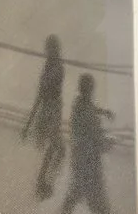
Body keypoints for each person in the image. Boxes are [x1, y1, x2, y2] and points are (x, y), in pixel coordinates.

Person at [59, 74, 113, 214]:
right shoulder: (87, 112)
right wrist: (108, 143)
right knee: (94, 198)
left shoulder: (79, 105)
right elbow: (95, 137)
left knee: (79, 193)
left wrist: (102, 112)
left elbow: (89, 110)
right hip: (89, 163)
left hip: (80, 160)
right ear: (90, 89)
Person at [23, 35, 68, 197]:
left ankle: (44, 180)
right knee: (55, 146)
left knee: (54, 145)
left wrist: (30, 122)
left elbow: (43, 90)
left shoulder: (52, 66)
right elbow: (45, 90)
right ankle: (44, 181)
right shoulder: (54, 66)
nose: (47, 51)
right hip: (51, 107)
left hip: (50, 107)